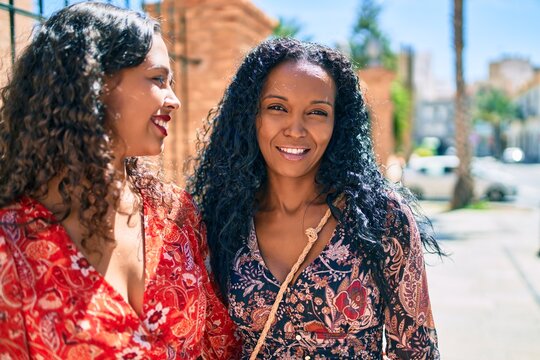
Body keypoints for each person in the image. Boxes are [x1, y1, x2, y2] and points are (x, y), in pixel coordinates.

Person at [0, 2, 238, 359]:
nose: (174, 100)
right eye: (158, 79)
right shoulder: (12, 243)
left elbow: (220, 344)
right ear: (93, 83)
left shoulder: (174, 213)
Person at [190, 38, 442, 359]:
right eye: (277, 108)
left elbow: (416, 351)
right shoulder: (221, 220)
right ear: (251, 116)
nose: (296, 129)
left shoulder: (383, 218)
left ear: (338, 124)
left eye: (317, 112)